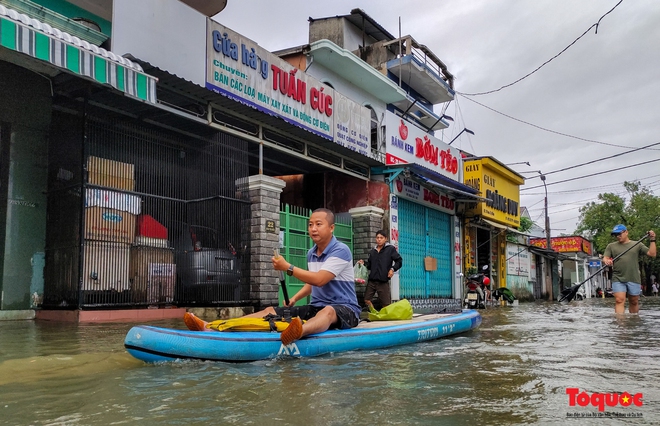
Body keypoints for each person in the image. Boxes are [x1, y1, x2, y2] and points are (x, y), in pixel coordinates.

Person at [184, 208, 361, 345]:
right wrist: (295, 298)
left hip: (346, 309)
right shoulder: (311, 253)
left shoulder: (341, 250)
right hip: (317, 307)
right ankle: (215, 327)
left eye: (318, 224)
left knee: (328, 311)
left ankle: (298, 332)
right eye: (310, 224)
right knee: (270, 311)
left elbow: (320, 280)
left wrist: (288, 267)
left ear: (331, 228)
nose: (313, 228)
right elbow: (312, 283)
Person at [603, 224, 656, 314]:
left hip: (633, 277)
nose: (617, 236)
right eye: (615, 235)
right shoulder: (611, 246)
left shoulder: (637, 244)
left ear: (626, 232)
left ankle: (633, 321)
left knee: (634, 301)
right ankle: (620, 323)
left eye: (619, 234)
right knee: (619, 300)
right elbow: (605, 258)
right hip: (618, 277)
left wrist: (652, 239)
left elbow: (652, 254)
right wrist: (606, 261)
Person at [358, 230, 403, 310]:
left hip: (383, 281)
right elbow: (370, 266)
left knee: (386, 305)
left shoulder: (390, 249)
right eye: (377, 238)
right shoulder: (373, 251)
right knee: (367, 300)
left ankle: (385, 317)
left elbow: (399, 261)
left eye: (381, 238)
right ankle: (374, 313)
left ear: (385, 239)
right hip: (372, 281)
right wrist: (363, 263)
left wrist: (392, 269)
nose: (379, 239)